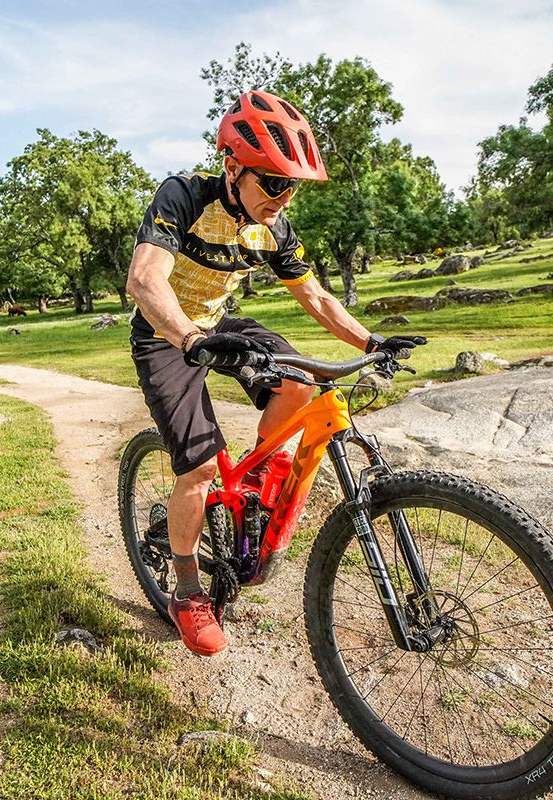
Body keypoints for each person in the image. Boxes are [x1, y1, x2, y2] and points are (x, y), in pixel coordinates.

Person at [125, 90, 426, 656]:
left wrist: (372, 340)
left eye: (291, 187)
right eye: (273, 183)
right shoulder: (184, 196)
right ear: (233, 167)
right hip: (165, 334)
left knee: (303, 381)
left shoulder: (274, 227)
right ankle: (187, 593)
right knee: (195, 470)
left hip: (221, 323)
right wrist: (188, 337)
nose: (284, 199)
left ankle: (260, 481)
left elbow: (314, 295)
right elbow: (145, 280)